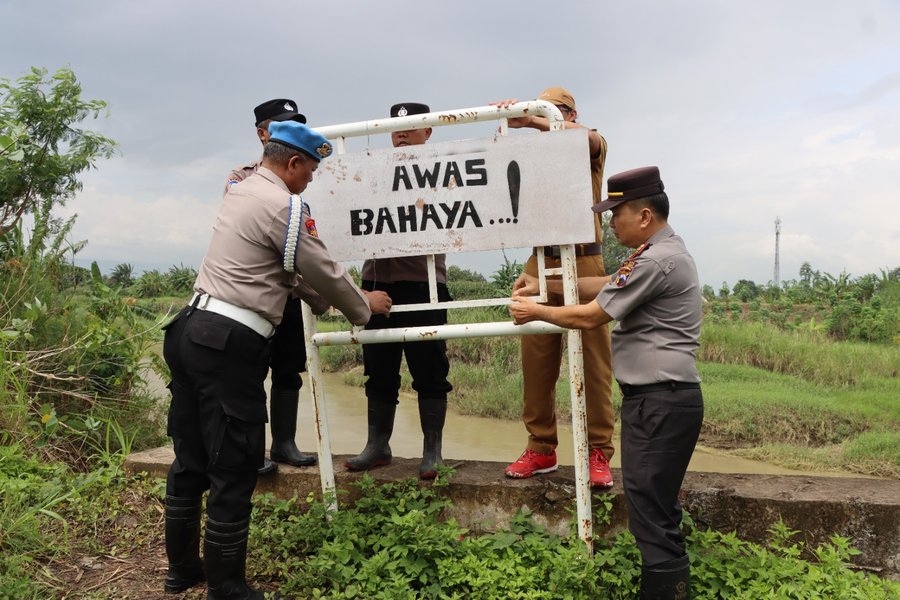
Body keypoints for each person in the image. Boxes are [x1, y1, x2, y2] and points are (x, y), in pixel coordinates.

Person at [162, 121, 392, 599]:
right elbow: (322, 269)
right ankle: (227, 589)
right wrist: (362, 306)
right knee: (235, 464)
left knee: (191, 457)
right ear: (292, 163)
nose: (310, 180)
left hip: (189, 328)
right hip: (229, 343)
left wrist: (327, 301)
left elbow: (285, 274)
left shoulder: (241, 191)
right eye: (310, 170)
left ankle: (182, 570)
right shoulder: (285, 206)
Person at [510, 166, 702, 599]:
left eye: (617, 214)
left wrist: (537, 310)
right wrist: (546, 282)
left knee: (650, 513)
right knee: (655, 508)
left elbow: (592, 313)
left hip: (661, 402)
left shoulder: (658, 260)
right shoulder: (655, 254)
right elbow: (604, 284)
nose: (611, 224)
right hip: (658, 401)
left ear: (645, 215)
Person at [491, 87, 615, 488]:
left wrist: (535, 119)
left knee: (595, 366)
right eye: (542, 111)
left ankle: (598, 452)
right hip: (539, 261)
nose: (550, 120)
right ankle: (541, 447)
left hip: (584, 259)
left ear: (573, 114)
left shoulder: (590, 145)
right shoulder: (533, 156)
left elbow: (587, 138)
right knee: (537, 363)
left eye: (558, 112)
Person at [344, 102, 453, 480]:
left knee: (430, 368)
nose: (402, 134)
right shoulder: (371, 173)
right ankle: (378, 445)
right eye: (396, 128)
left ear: (429, 132)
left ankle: (433, 451)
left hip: (424, 283)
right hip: (375, 284)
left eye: (411, 127)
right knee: (379, 368)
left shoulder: (444, 172)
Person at [226, 98, 315, 475]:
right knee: (251, 372)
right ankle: (254, 450)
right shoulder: (242, 178)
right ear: (262, 133)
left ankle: (284, 444)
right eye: (279, 126)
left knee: (289, 368)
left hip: (291, 292)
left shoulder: (303, 173)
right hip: (257, 295)